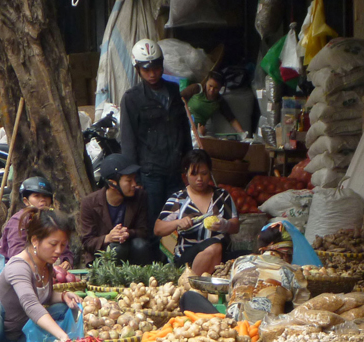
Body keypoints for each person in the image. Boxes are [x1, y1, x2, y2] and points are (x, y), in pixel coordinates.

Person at [0, 209, 82, 342]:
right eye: (53, 244)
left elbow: (41, 294)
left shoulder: (45, 263)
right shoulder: (19, 266)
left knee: (63, 308)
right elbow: (31, 304)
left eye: (63, 245)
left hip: (17, 339)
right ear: (35, 241)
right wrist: (63, 336)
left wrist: (63, 296)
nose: (59, 251)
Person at [120, 39, 192, 226]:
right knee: (153, 222)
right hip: (151, 173)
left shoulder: (174, 91)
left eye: (156, 68)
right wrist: (134, 177)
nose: (152, 74)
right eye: (146, 70)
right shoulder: (132, 98)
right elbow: (128, 141)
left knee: (179, 218)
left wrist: (190, 162)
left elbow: (183, 128)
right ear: (138, 70)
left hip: (175, 171)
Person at [179, 221, 309, 317]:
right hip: (269, 330)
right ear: (287, 253)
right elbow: (303, 311)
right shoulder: (294, 271)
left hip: (231, 327)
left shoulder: (241, 261)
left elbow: (232, 297)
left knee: (188, 297)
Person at [154, 149, 239, 276]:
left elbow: (236, 226)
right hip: (188, 257)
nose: (199, 179)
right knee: (214, 245)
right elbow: (158, 229)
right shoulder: (179, 199)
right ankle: (191, 284)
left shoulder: (222, 196)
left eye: (204, 173)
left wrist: (225, 224)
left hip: (222, 254)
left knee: (251, 257)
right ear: (185, 175)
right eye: (194, 174)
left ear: (210, 173)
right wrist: (177, 222)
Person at [79, 154, 157, 265]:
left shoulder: (140, 196)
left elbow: (144, 231)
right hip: (103, 257)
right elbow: (87, 242)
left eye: (134, 179)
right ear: (112, 183)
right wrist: (108, 238)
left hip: (132, 253)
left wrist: (127, 233)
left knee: (140, 245)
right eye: (129, 181)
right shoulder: (89, 203)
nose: (134, 184)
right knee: (117, 249)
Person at [0, 176, 74, 277]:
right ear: (26, 201)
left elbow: (62, 244)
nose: (42, 200)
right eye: (36, 196)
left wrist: (66, 260)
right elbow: (16, 253)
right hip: (7, 270)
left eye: (46, 196)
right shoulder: (19, 221)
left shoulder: (52, 219)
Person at [180, 71, 246, 137]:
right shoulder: (197, 89)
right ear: (206, 82)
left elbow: (232, 119)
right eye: (210, 86)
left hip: (197, 131)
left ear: (220, 88)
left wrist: (241, 133)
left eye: (216, 88)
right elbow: (178, 98)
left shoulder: (219, 101)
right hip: (182, 123)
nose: (211, 90)